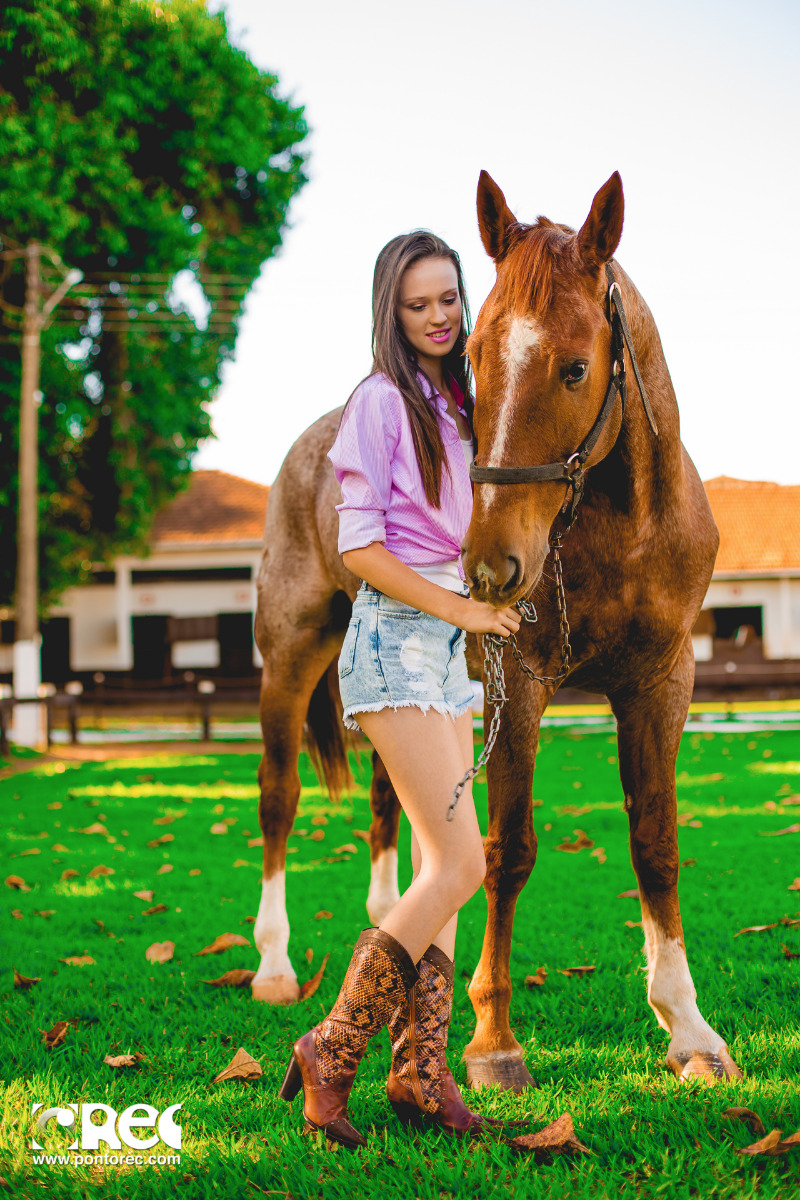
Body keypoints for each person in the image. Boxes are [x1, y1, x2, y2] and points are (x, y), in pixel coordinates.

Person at [278, 231, 521, 1149]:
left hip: (442, 658)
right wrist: (463, 612)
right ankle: (331, 1048)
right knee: (464, 865)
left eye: (449, 299)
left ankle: (422, 1073)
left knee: (444, 874)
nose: (437, 318)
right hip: (392, 649)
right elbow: (358, 549)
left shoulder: (462, 397)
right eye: (417, 304)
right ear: (391, 309)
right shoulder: (378, 402)